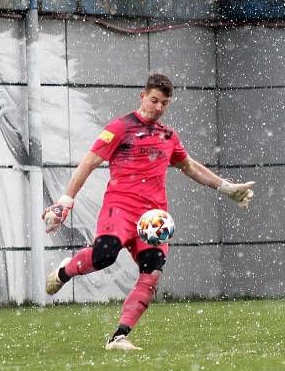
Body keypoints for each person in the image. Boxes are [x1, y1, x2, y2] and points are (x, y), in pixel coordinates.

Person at [42, 73, 255, 350]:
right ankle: (65, 270)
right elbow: (90, 162)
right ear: (142, 96)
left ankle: (119, 337)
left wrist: (227, 188)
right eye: (154, 100)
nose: (158, 107)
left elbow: (190, 166)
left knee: (152, 272)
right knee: (104, 257)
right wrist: (66, 201)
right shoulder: (120, 128)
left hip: (153, 219)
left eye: (164, 103)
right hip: (120, 207)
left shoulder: (168, 136)